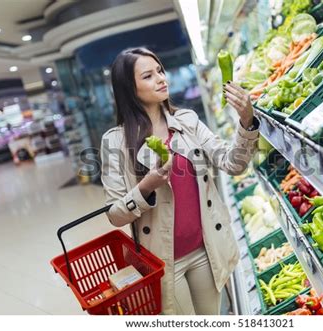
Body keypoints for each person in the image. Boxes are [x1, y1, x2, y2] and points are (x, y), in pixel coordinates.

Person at [100, 47, 260, 315]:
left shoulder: (187, 121)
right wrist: (146, 187)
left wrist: (246, 121)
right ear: (129, 88)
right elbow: (115, 215)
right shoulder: (114, 141)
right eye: (148, 76)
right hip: (162, 260)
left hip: (204, 250)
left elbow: (233, 163)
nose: (162, 79)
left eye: (160, 71)